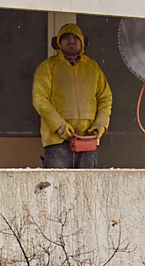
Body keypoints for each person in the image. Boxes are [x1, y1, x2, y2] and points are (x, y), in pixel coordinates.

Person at [32, 23, 112, 168]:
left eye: (75, 37)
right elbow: (39, 99)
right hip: (57, 141)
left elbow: (105, 98)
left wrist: (100, 125)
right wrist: (60, 126)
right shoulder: (48, 67)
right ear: (58, 42)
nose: (71, 40)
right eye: (66, 37)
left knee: (85, 187)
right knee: (58, 187)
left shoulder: (93, 67)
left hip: (88, 139)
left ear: (82, 42)